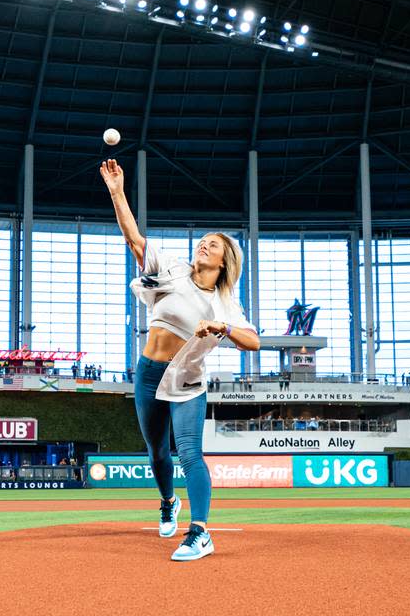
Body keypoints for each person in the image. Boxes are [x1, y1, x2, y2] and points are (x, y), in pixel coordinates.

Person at [102, 158, 259, 562]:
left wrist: (222, 328)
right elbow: (135, 240)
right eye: (203, 240)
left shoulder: (225, 302)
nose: (204, 245)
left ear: (224, 262)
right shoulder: (171, 269)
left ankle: (200, 532)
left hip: (187, 379)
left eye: (214, 245)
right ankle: (168, 501)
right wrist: (118, 192)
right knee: (157, 453)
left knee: (190, 452)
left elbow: (253, 342)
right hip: (150, 373)